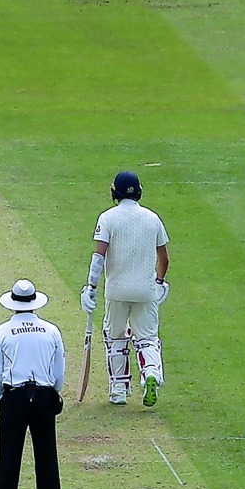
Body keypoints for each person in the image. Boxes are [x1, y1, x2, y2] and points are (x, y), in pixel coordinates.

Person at [0, 279, 67, 489]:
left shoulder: (2, 333)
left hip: (14, 396)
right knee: (47, 460)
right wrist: (51, 393)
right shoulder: (51, 331)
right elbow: (58, 373)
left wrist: (3, 398)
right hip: (44, 396)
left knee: (9, 460)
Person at [80, 171, 170, 407]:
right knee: (148, 339)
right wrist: (159, 283)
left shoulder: (108, 218)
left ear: (114, 192)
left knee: (116, 338)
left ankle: (119, 390)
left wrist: (91, 287)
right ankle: (151, 373)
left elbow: (99, 257)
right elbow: (164, 259)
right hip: (146, 290)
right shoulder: (153, 218)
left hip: (117, 290)